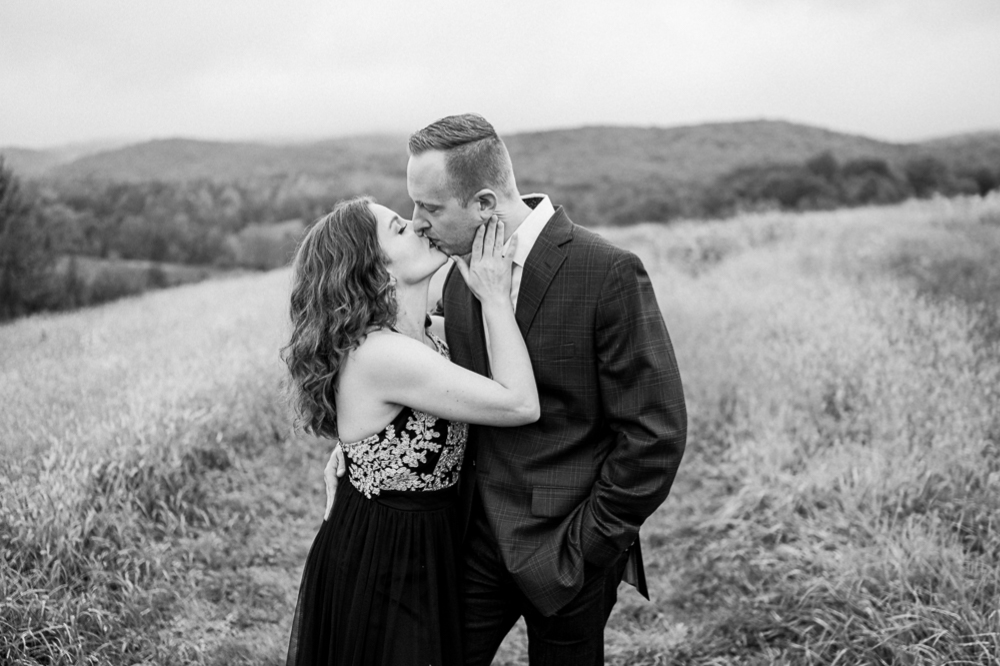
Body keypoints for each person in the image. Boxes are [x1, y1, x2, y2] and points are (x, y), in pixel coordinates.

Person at [328, 113, 687, 664]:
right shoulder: (453, 271)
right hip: (471, 544)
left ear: (486, 204)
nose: (418, 223)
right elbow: (423, 380)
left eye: (430, 207)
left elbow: (655, 433)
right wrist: (359, 449)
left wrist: (589, 545)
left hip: (571, 552)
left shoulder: (605, 272)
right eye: (412, 207)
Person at [283, 196, 539, 666]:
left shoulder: (436, 334)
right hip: (383, 551)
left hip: (430, 543)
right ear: (373, 269)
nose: (420, 226)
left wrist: (353, 449)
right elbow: (519, 403)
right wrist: (495, 297)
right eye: (400, 228)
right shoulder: (382, 354)